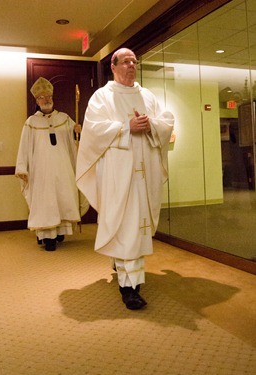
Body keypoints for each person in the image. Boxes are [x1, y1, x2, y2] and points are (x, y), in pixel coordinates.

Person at [76, 48, 174, 309]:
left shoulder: (148, 96)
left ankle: (124, 268)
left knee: (136, 224)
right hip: (118, 175)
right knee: (126, 223)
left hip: (145, 174)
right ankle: (130, 288)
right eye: (126, 61)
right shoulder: (102, 97)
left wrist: (151, 125)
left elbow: (166, 121)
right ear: (114, 66)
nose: (132, 65)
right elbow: (93, 131)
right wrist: (125, 128)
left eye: (134, 61)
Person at [15, 77, 88, 251]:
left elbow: (75, 142)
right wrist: (22, 167)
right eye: (42, 97)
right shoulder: (31, 122)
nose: (46, 100)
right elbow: (24, 146)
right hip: (41, 171)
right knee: (45, 202)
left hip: (63, 168)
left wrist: (77, 131)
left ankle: (60, 231)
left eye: (48, 96)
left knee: (62, 198)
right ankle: (47, 237)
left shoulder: (64, 118)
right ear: (36, 100)